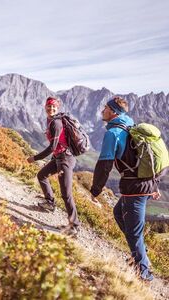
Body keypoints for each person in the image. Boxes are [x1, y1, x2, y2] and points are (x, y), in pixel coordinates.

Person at [90, 96, 158, 281]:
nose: (102, 110)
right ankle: (140, 251)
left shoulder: (113, 133)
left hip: (134, 188)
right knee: (119, 213)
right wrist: (154, 185)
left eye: (105, 107)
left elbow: (104, 164)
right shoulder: (132, 126)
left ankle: (143, 273)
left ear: (113, 112)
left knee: (134, 232)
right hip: (144, 184)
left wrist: (95, 189)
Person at [27, 96, 80, 236]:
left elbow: (53, 147)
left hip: (65, 160)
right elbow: (56, 147)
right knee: (42, 175)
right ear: (45, 107)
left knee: (66, 194)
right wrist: (53, 158)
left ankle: (74, 226)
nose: (51, 109)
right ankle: (49, 203)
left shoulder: (56, 123)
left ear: (58, 108)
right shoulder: (50, 120)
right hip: (59, 158)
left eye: (54, 107)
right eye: (49, 106)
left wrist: (35, 158)